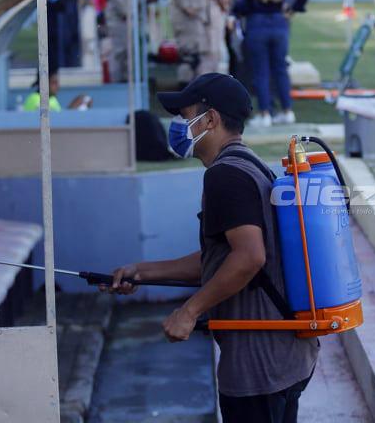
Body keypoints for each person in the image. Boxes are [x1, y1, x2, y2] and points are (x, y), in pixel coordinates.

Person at [103, 73, 319, 422]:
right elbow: (220, 259)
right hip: (282, 356)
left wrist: (189, 312)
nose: (179, 125)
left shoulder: (225, 176)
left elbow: (249, 258)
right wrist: (141, 272)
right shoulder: (249, 164)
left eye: (185, 115)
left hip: (259, 364)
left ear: (211, 119)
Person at [234, 0, 307, 127]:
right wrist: (291, 8)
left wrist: (240, 12)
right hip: (279, 24)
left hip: (257, 25)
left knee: (261, 71)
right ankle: (287, 111)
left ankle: (265, 113)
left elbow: (242, 6)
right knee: (281, 69)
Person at [22, 68, 92, 111]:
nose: (58, 86)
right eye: (54, 83)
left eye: (57, 83)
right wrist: (72, 109)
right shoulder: (34, 98)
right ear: (44, 84)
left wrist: (75, 106)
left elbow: (60, 121)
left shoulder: (53, 99)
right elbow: (50, 120)